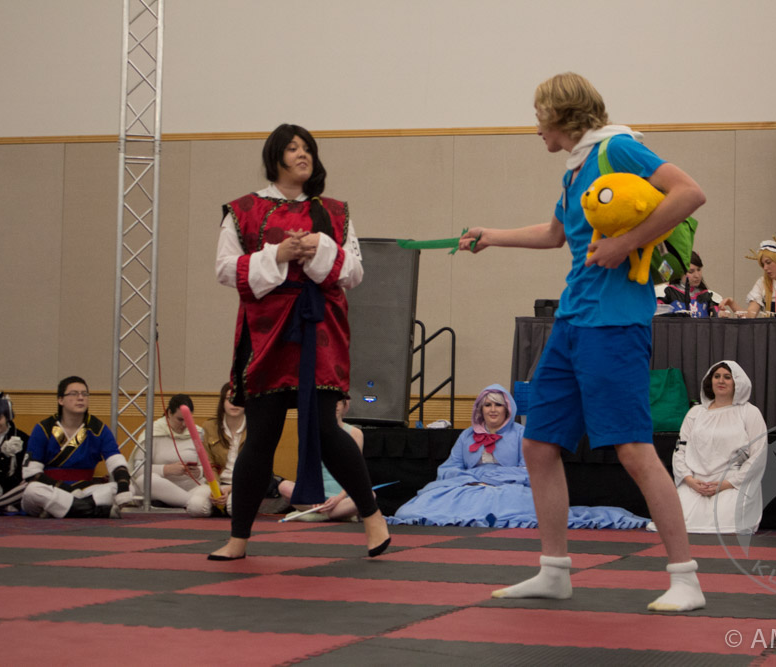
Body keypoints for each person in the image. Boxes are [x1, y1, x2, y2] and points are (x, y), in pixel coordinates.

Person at [458, 72, 706, 611]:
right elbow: (556, 234)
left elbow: (690, 193)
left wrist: (626, 242)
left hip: (615, 325)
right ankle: (554, 571)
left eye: (540, 118)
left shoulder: (618, 148)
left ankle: (686, 578)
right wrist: (490, 236)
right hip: (572, 321)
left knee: (634, 450)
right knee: (537, 443)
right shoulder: (575, 169)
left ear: (562, 116)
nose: (537, 130)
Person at [209, 123, 389, 561]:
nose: (302, 154)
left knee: (327, 429)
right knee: (261, 437)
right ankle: (238, 539)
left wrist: (319, 249)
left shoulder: (334, 212)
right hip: (266, 332)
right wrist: (279, 255)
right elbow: (225, 269)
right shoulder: (243, 209)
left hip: (319, 329)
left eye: (307, 147)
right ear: (275, 157)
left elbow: (355, 273)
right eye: (292, 148)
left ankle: (373, 519)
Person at [388, 384, 648, 529]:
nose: (492, 410)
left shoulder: (522, 435)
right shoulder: (467, 435)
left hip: (508, 490)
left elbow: (530, 472)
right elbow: (447, 468)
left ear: (507, 409)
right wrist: (471, 478)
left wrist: (491, 478)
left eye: (497, 405)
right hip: (466, 487)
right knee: (413, 508)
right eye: (487, 405)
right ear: (480, 409)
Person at [663, 361, 768, 534]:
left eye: (727, 377)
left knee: (727, 524)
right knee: (673, 522)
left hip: (733, 485)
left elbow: (758, 455)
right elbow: (680, 450)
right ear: (709, 380)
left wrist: (727, 484)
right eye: (717, 376)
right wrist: (689, 480)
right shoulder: (695, 413)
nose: (721, 381)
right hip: (695, 484)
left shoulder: (749, 413)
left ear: (737, 382)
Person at [20, 376, 134, 518]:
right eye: (74, 394)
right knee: (32, 491)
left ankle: (63, 509)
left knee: (128, 488)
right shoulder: (44, 428)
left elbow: (115, 461)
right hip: (53, 488)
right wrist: (67, 489)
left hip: (85, 490)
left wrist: (123, 486)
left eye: (84, 394)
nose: (80, 398)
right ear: (60, 400)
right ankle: (94, 511)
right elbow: (31, 473)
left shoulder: (98, 429)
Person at [280, 393, 363, 522]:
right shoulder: (312, 432)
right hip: (316, 495)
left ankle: (318, 515)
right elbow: (308, 469)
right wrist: (314, 496)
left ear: (345, 405)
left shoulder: (355, 433)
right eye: (331, 402)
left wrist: (338, 498)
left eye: (338, 402)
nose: (335, 406)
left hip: (342, 496)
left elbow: (356, 474)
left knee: (370, 496)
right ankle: (336, 514)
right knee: (284, 486)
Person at [130, 394, 209, 516]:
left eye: (188, 420)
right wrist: (166, 469)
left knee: (208, 487)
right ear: (169, 413)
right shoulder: (153, 432)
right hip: (162, 486)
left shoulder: (198, 433)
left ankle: (185, 503)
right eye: (180, 419)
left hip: (191, 485)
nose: (184, 424)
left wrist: (199, 471)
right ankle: (193, 503)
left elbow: (207, 466)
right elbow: (137, 470)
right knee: (144, 480)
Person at [193, 382, 246, 517]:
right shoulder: (209, 426)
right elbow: (209, 464)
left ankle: (225, 504)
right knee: (195, 507)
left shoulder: (256, 427)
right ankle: (217, 504)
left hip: (244, 484)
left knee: (235, 509)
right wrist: (215, 489)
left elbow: (256, 468)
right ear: (222, 402)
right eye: (229, 399)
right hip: (216, 482)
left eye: (239, 398)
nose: (234, 403)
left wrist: (230, 489)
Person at [657, 250, 722, 317]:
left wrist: (721, 314)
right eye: (691, 271)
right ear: (679, 272)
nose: (697, 276)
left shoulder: (708, 296)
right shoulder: (666, 293)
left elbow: (718, 316)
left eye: (699, 270)